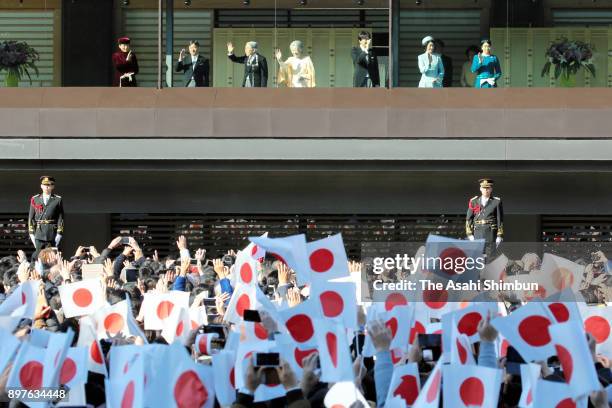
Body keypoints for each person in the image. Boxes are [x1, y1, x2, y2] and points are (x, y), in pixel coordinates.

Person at [28, 176, 65, 260]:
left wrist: (59, 233)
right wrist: (31, 233)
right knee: (38, 257)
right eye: (45, 184)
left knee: (51, 258)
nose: (47, 186)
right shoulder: (35, 199)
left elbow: (61, 217)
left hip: (52, 232)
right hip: (39, 232)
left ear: (53, 186)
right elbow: (31, 217)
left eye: (50, 184)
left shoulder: (57, 199)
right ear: (41, 186)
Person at [466, 178, 504, 257]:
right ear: (480, 189)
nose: (486, 190)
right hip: (477, 233)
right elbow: (469, 219)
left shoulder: (496, 202)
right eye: (484, 188)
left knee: (490, 258)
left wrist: (499, 236)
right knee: (477, 257)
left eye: (488, 188)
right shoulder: (474, 201)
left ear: (491, 189)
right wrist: (469, 234)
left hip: (491, 233)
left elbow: (500, 219)